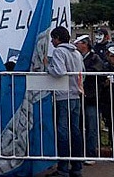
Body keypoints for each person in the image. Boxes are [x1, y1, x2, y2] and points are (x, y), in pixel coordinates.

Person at [45, 26, 84, 177]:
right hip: (75, 94)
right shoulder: (77, 53)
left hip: (63, 95)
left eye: (53, 39)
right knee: (75, 132)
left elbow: (59, 71)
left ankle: (62, 168)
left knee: (62, 132)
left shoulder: (59, 51)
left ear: (57, 38)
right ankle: (77, 167)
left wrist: (48, 67)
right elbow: (83, 73)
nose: (52, 42)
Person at [73, 35, 104, 163]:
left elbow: (97, 74)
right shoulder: (77, 57)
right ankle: (79, 153)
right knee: (79, 126)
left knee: (92, 126)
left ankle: (90, 153)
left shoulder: (95, 58)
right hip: (80, 95)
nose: (76, 45)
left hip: (91, 97)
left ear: (85, 44)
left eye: (78, 43)